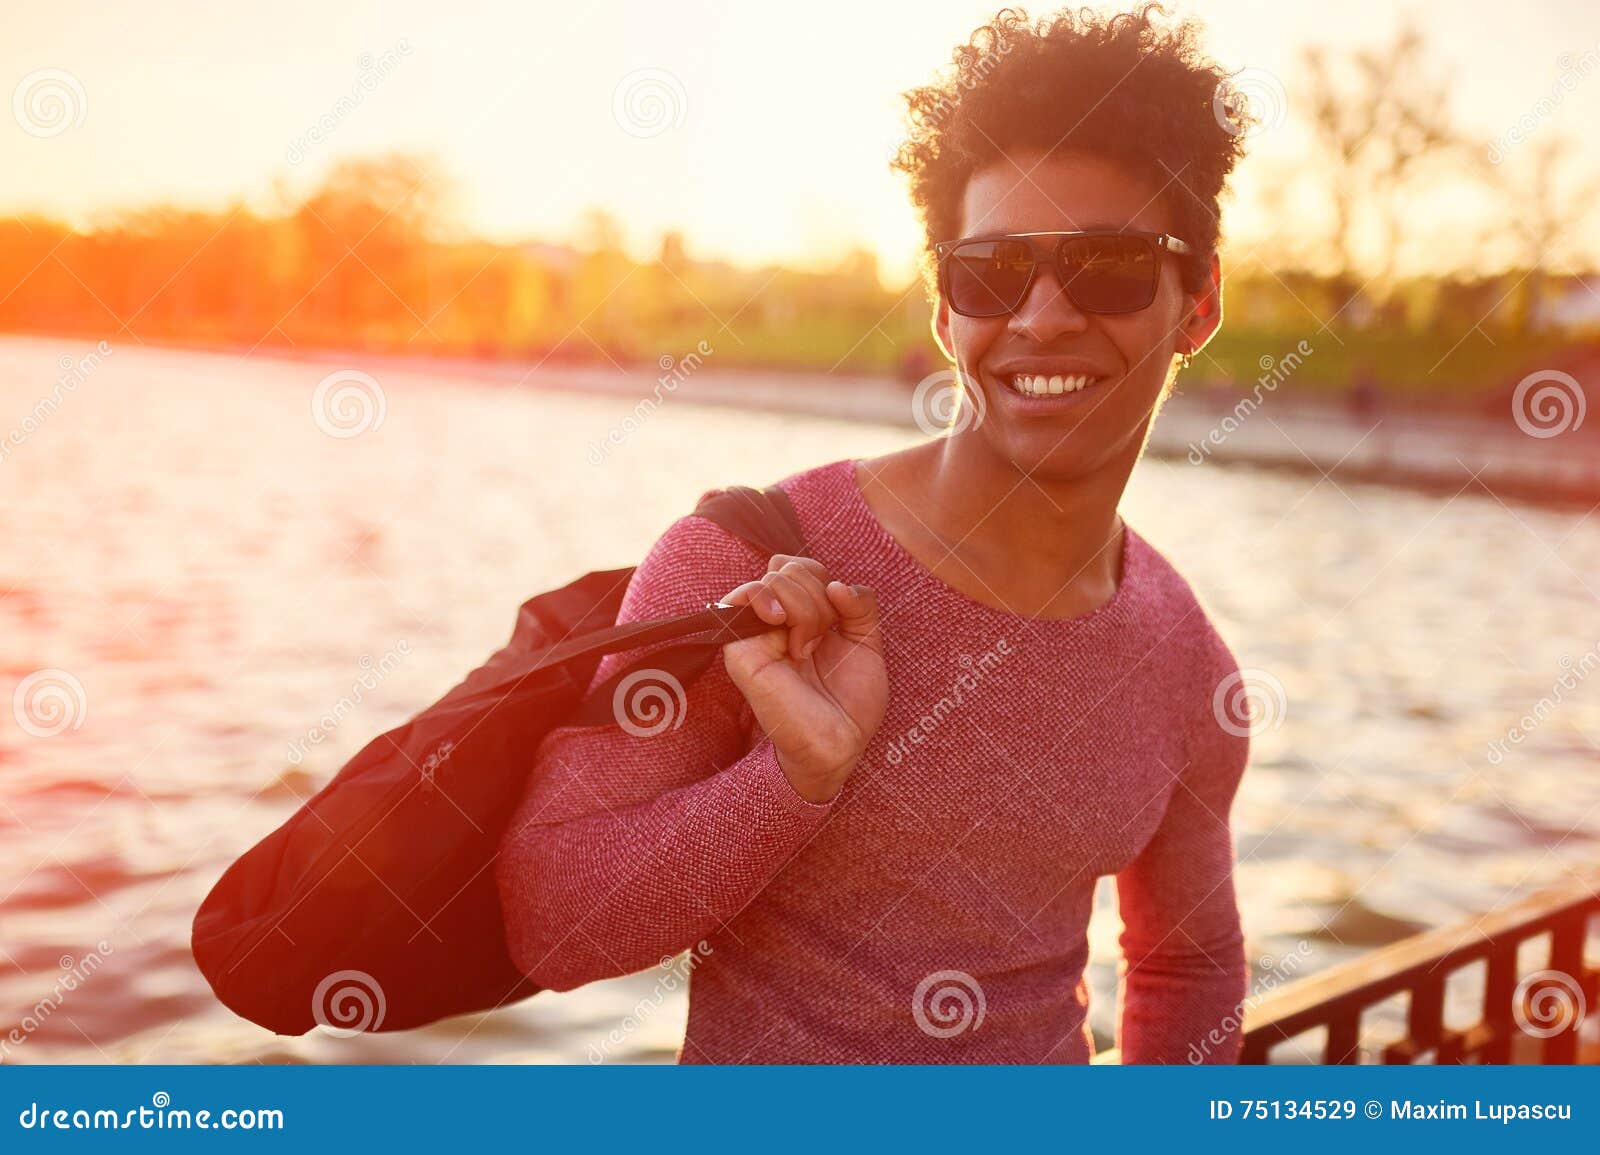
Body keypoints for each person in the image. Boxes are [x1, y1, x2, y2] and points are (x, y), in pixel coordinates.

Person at [497, 2, 1255, 1064]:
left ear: (1198, 303)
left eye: (1107, 266)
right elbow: (555, 919)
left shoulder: (1185, 658)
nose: (1039, 318)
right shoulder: (747, 567)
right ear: (946, 313)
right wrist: (794, 778)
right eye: (991, 271)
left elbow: (1186, 964)